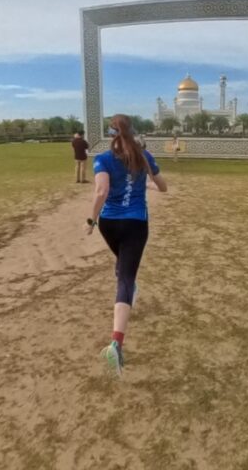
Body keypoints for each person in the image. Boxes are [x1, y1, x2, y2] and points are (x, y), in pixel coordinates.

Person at [86, 114, 167, 378]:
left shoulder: (103, 159)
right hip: (135, 223)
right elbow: (162, 186)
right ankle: (116, 343)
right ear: (132, 132)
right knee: (126, 278)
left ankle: (128, 288)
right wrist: (147, 186)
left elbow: (101, 192)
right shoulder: (144, 156)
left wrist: (91, 220)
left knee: (123, 267)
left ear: (111, 135)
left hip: (109, 223)